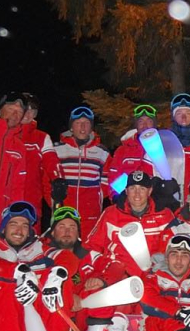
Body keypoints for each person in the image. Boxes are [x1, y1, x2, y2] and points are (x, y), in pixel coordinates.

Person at [85, 169, 175, 331]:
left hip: (151, 277)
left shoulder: (164, 215)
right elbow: (91, 247)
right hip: (119, 275)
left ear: (150, 191)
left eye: (141, 189)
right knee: (118, 284)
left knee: (154, 299)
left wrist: (163, 266)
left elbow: (173, 248)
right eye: (132, 188)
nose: (136, 194)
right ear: (126, 191)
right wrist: (94, 271)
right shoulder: (111, 213)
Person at [0, 202, 75, 331]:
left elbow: (65, 257)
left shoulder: (38, 248)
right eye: (13, 224)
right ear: (3, 229)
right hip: (5, 330)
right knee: (8, 283)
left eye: (24, 226)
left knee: (60, 281)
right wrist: (17, 272)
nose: (19, 230)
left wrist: (58, 273)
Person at [49, 106, 112, 237]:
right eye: (78, 123)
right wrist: (53, 198)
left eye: (87, 123)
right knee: (63, 249)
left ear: (91, 128)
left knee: (88, 249)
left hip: (90, 213)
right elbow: (46, 177)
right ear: (71, 127)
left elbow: (109, 178)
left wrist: (98, 195)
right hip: (63, 210)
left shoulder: (102, 152)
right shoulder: (57, 150)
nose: (82, 127)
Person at [20, 93, 62, 233]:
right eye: (25, 108)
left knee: (30, 244)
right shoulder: (4, 134)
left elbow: (51, 164)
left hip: (31, 202)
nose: (28, 113)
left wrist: (58, 181)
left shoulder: (41, 137)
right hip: (5, 200)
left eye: (33, 110)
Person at [106, 104, 158, 195]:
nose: (145, 125)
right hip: (130, 200)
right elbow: (113, 175)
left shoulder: (162, 148)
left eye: (149, 121)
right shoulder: (124, 150)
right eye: (141, 121)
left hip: (154, 200)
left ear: (154, 124)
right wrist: (117, 195)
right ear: (136, 125)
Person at [0, 92, 29, 212]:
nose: (15, 114)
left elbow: (18, 187)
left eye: (20, 112)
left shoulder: (19, 148)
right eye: (11, 108)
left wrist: (15, 213)